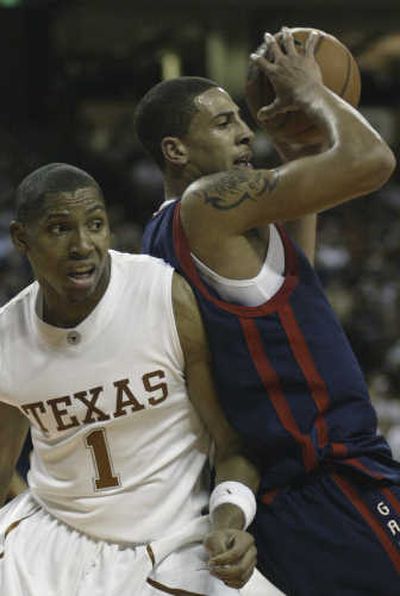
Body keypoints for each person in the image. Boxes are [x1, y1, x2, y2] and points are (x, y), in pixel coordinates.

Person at [137, 28, 400, 595]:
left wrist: (298, 153)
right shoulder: (205, 204)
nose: (245, 130)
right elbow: (373, 161)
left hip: (292, 493)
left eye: (240, 116)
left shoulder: (167, 231)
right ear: (175, 150)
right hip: (331, 479)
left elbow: (292, 270)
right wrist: (313, 90)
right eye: (224, 122)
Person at [0, 162, 260, 595]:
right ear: (21, 239)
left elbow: (234, 444)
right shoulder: (7, 339)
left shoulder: (162, 295)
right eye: (60, 229)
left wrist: (229, 521)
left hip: (172, 539)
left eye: (96, 224)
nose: (83, 245)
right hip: (49, 538)